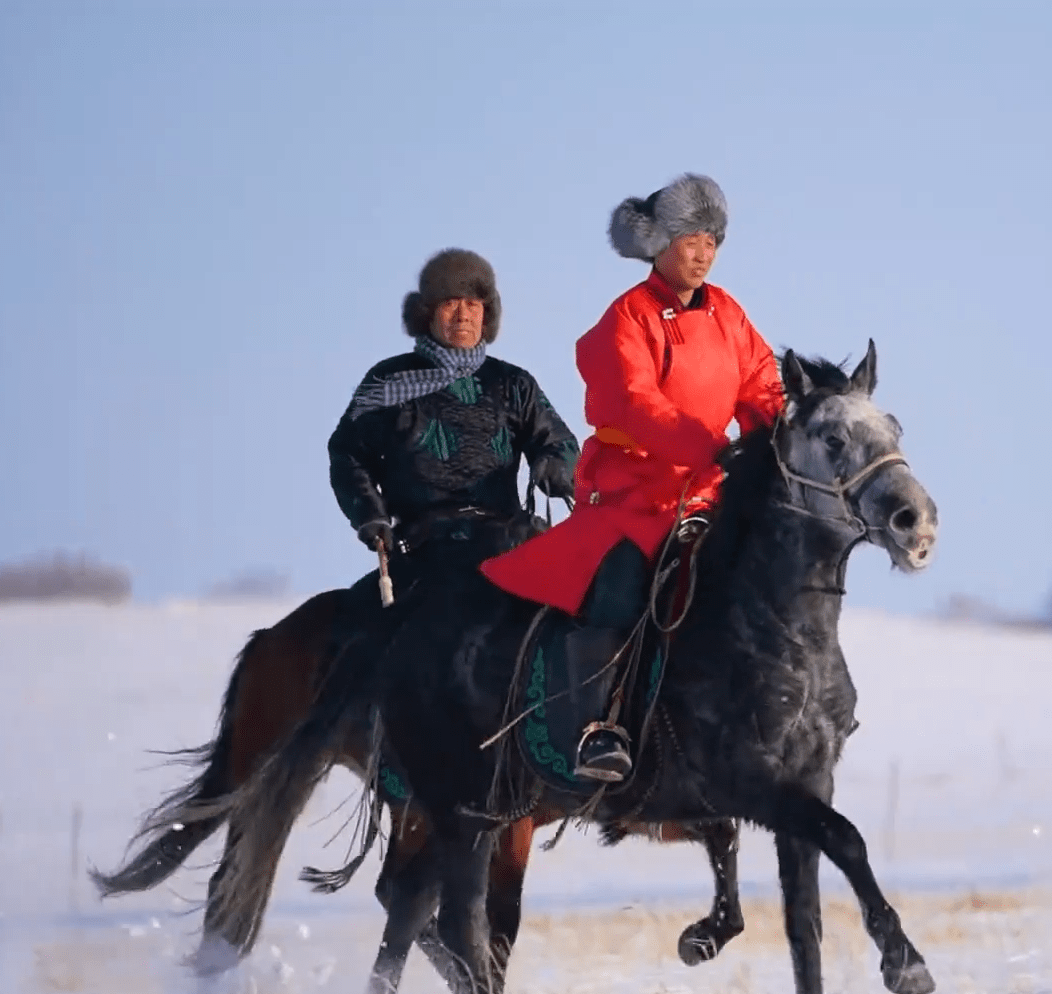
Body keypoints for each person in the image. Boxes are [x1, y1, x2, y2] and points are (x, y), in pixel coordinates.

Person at [481, 174, 784, 782]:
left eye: (712, 242)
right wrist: (711, 446)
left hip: (707, 492)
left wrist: (779, 442)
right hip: (630, 494)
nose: (702, 254)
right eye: (691, 240)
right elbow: (636, 402)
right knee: (620, 584)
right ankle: (601, 727)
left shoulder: (729, 314)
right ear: (660, 243)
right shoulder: (628, 316)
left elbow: (760, 386)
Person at [328, 248, 579, 642]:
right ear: (427, 313)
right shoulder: (387, 382)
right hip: (424, 545)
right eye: (450, 303)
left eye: (473, 303)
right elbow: (347, 454)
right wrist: (369, 515)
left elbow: (559, 442)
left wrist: (555, 466)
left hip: (506, 536)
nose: (463, 314)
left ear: (487, 314)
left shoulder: (514, 383)